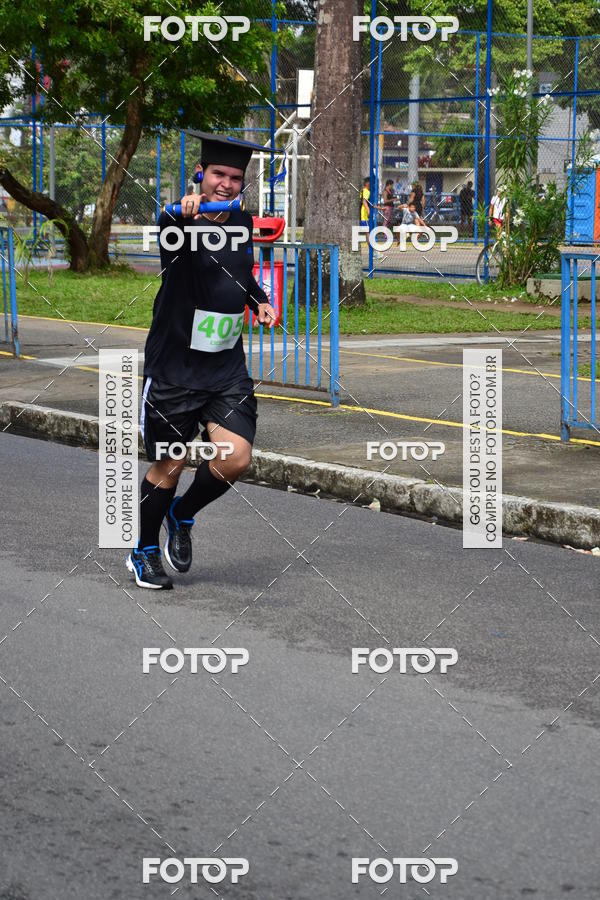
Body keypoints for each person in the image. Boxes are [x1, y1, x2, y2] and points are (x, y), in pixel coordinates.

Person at [126, 131, 278, 590]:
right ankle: (143, 551)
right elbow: (167, 222)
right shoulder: (181, 221)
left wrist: (258, 299)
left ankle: (182, 514)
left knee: (236, 459)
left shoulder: (241, 221)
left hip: (225, 367)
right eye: (219, 175)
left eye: (235, 177)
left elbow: (240, 270)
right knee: (169, 465)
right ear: (201, 175)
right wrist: (181, 209)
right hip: (175, 369)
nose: (227, 185)